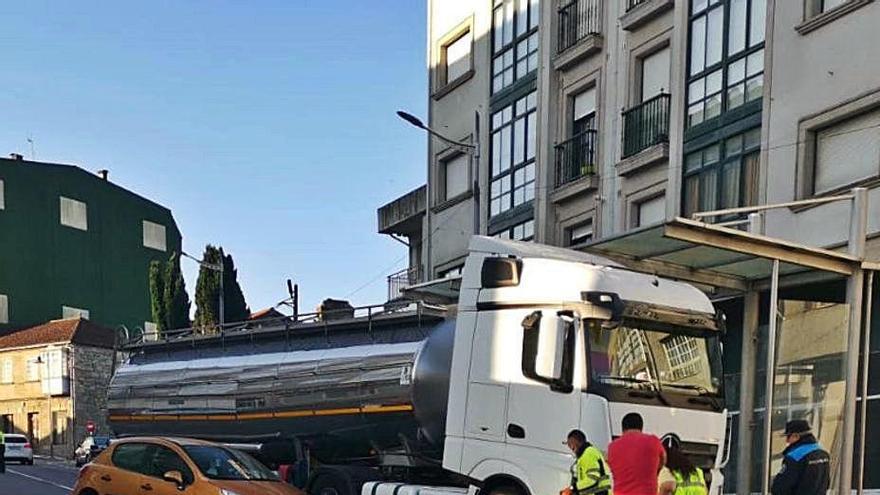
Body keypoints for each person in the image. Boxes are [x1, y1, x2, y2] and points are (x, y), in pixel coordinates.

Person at [607, 413, 665, 495]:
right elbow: (663, 459)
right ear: (641, 427)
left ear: (623, 428)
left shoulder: (612, 446)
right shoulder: (653, 441)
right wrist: (656, 472)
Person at [770, 419, 830, 495]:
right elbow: (826, 483)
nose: (787, 441)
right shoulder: (823, 453)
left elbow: (780, 488)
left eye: (788, 436)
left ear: (796, 436)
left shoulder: (794, 457)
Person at [563, 429, 610, 495]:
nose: (570, 447)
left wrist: (572, 488)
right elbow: (584, 483)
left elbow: (592, 479)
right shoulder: (583, 456)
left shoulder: (589, 453)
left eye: (570, 443)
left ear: (576, 441)